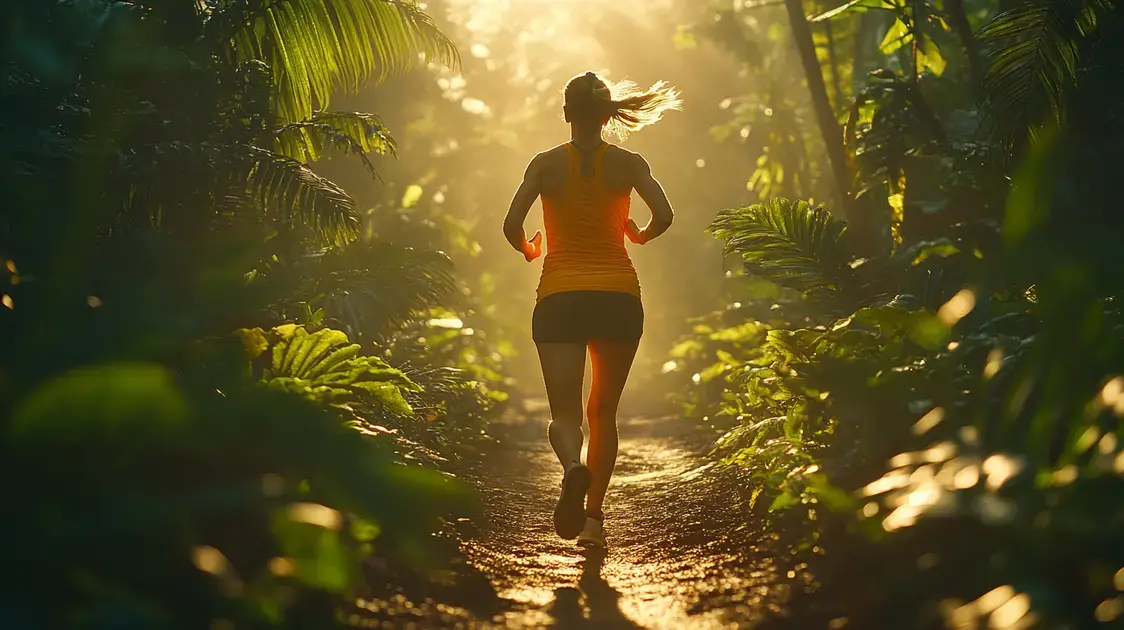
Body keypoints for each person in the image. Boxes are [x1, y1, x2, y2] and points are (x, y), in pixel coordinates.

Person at [501, 71, 680, 549]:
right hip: (619, 298)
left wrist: (529, 249)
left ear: (565, 114)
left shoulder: (544, 165)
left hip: (559, 297)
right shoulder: (628, 162)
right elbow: (664, 215)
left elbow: (511, 222)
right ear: (607, 116)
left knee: (564, 414)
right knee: (603, 412)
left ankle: (572, 467)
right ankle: (594, 523)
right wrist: (639, 234)